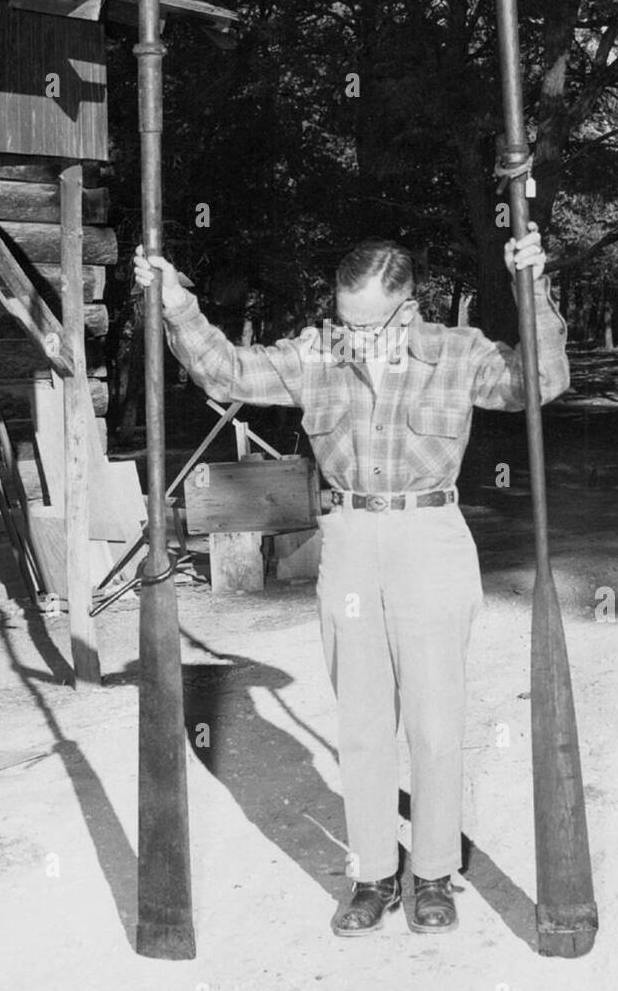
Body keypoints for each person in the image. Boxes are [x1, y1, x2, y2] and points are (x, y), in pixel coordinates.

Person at [133, 229, 569, 936]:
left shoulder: (456, 353)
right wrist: (172, 301)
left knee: (433, 722)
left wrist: (532, 289)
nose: (353, 338)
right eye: (345, 320)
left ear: (406, 308)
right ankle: (372, 873)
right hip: (349, 544)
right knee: (363, 727)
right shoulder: (318, 352)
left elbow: (539, 383)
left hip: (429, 539)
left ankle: (431, 872)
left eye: (368, 325)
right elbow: (227, 374)